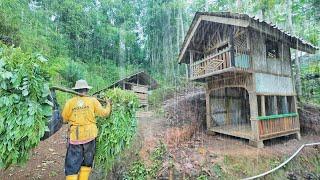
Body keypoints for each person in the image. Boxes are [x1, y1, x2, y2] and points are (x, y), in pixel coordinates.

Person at [62, 80, 111, 180]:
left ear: (76, 90)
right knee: (87, 161)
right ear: (87, 90)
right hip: (90, 136)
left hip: (76, 137)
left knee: (72, 164)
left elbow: (64, 119)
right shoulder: (92, 100)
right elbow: (105, 113)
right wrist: (108, 104)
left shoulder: (70, 102)